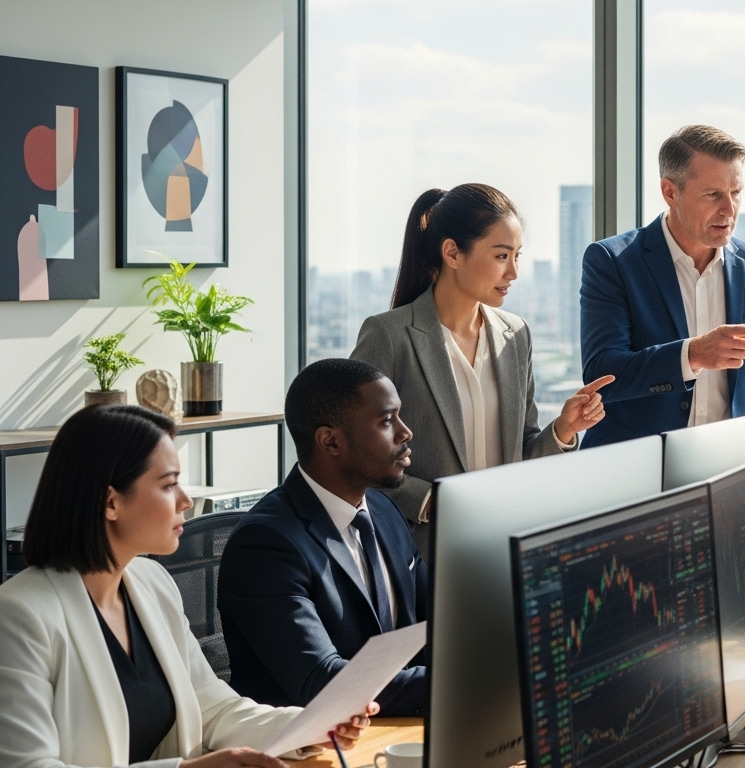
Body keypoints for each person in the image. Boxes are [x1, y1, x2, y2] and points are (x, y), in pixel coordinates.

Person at [0, 405, 374, 768]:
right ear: (110, 502)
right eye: (169, 485)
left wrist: (311, 726)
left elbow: (213, 709)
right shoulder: (19, 616)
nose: (186, 501)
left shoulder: (152, 583)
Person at [351, 183, 611, 548]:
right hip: (422, 551)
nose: (514, 273)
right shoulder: (390, 336)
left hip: (502, 544)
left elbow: (522, 451)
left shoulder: (515, 335)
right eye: (502, 256)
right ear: (453, 253)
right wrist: (428, 502)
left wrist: (564, 430)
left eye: (517, 256)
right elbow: (354, 451)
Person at [578, 124, 745, 447]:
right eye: (713, 195)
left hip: (729, 470)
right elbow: (602, 373)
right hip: (634, 467)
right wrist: (692, 354)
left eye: (735, 193)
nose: (729, 209)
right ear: (670, 192)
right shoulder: (613, 261)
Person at [220, 359, 429, 717]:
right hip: (307, 748)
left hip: (395, 730)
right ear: (330, 441)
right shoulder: (265, 545)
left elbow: (436, 622)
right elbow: (322, 681)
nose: (405, 432)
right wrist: (459, 682)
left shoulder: (383, 510)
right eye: (386, 421)